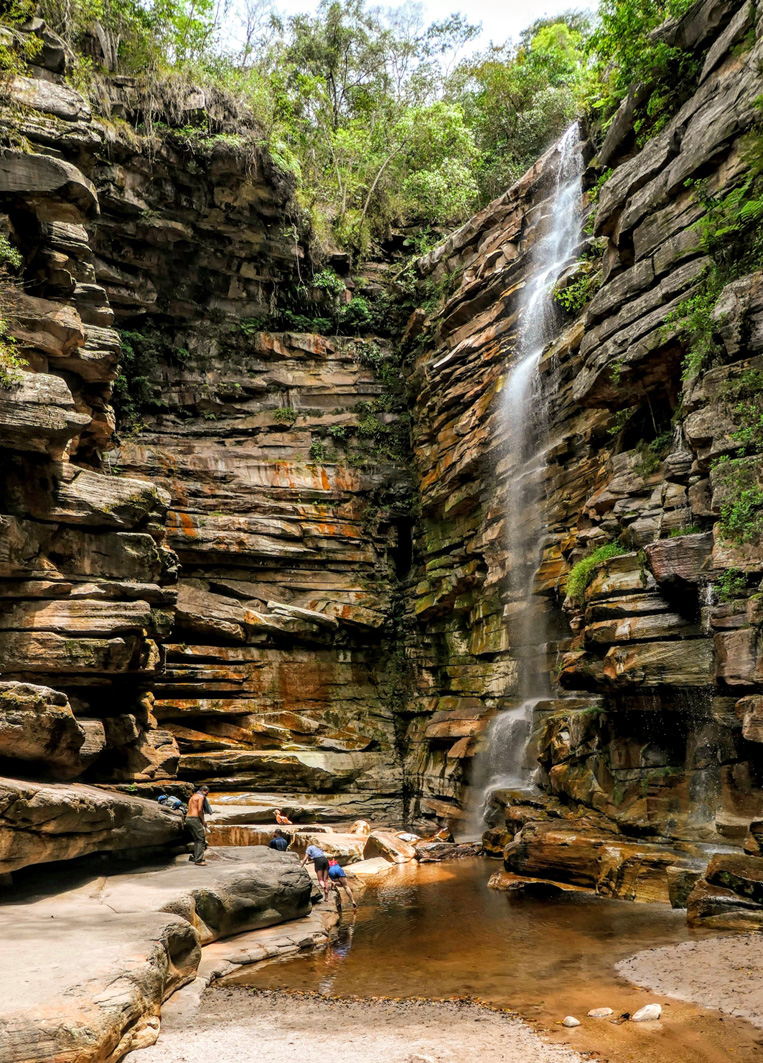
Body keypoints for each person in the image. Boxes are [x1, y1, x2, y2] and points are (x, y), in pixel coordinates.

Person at [186, 785, 210, 866]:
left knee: (196, 839)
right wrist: (203, 821)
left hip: (188, 818)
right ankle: (198, 860)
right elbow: (199, 810)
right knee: (201, 839)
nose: (207, 794)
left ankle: (195, 857)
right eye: (207, 792)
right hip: (194, 819)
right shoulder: (201, 797)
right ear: (204, 790)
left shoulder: (193, 796)